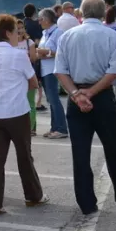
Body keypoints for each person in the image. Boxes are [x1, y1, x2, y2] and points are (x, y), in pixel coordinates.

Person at [55, 0, 116, 215]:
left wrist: (76, 94)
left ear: (81, 13)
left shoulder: (67, 36)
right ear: (103, 13)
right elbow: (115, 71)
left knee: (80, 151)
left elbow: (60, 71)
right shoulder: (110, 35)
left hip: (76, 95)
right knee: (112, 146)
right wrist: (91, 92)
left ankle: (86, 202)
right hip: (101, 94)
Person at [0, 15, 48, 216]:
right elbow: (33, 82)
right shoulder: (19, 55)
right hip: (16, 111)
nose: (18, 36)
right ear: (8, 33)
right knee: (24, 156)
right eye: (16, 32)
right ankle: (32, 196)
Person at [36, 8, 68, 139]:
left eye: (40, 19)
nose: (39, 22)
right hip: (45, 69)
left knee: (54, 100)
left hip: (52, 70)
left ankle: (61, 128)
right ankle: (54, 127)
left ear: (47, 20)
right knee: (51, 100)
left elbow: (61, 52)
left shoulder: (58, 32)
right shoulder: (46, 33)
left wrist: (46, 52)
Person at [16, 19, 39, 134]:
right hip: (15, 77)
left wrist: (23, 60)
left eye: (21, 27)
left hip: (28, 75)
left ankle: (31, 127)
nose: (20, 30)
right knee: (17, 101)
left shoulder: (28, 42)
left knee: (30, 102)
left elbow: (33, 58)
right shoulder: (10, 43)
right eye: (17, 28)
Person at [23, 3, 45, 112]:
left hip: (23, 54)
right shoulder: (36, 24)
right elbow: (38, 40)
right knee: (38, 79)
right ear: (34, 13)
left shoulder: (22, 23)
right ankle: (39, 102)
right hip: (35, 53)